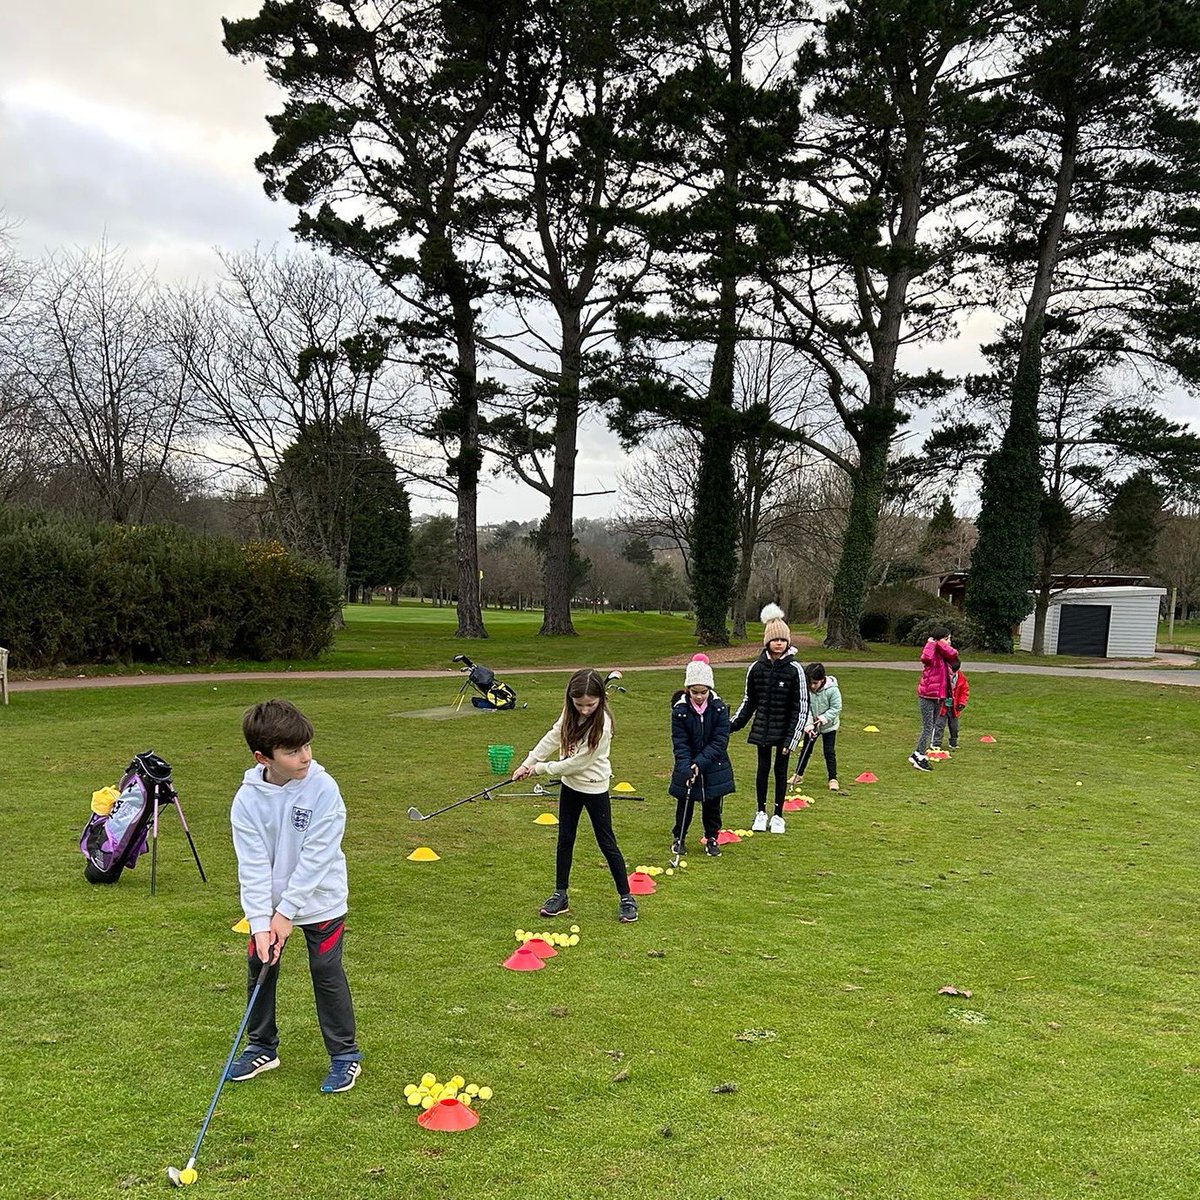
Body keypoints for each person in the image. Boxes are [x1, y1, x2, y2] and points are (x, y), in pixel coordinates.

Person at [228, 699, 362, 1094]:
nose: (305, 757)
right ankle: (261, 1046)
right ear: (262, 757)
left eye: (307, 746)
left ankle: (344, 1056)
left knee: (326, 971)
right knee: (261, 966)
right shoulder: (247, 800)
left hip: (321, 900)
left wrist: (287, 912)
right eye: (292, 751)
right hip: (269, 908)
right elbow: (251, 866)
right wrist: (260, 922)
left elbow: (317, 856)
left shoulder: (323, 788)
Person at [513, 668, 638, 923]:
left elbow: (577, 764)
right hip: (570, 787)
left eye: (590, 704)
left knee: (607, 842)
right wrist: (527, 763)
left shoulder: (603, 724)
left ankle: (626, 897)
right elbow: (553, 736)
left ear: (601, 699)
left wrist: (540, 769)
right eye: (579, 704)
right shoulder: (570, 712)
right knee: (565, 839)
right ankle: (561, 895)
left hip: (594, 787)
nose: (584, 710)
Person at [730, 604, 808, 833]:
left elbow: (801, 707)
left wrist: (791, 740)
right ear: (767, 642)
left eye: (783, 640)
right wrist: (731, 725)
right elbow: (749, 701)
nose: (779, 643)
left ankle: (778, 815)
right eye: (775, 640)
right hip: (763, 729)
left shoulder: (795, 670)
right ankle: (761, 812)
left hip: (784, 732)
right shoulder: (756, 668)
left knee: (780, 771)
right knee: (762, 770)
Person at [669, 654, 735, 858]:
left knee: (713, 804)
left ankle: (712, 837)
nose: (698, 696)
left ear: (709, 690)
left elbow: (720, 740)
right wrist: (687, 766)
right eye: (694, 692)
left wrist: (700, 762)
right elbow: (680, 743)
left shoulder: (719, 708)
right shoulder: (679, 711)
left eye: (703, 692)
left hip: (714, 764)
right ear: (687, 689)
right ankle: (679, 838)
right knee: (685, 803)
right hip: (687, 765)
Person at [910, 626, 959, 772]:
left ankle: (917, 753)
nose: (949, 642)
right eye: (946, 638)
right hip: (927, 695)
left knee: (931, 726)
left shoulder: (944, 654)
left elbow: (954, 655)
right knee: (927, 727)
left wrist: (942, 644)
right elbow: (925, 658)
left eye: (949, 638)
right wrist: (931, 643)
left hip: (940, 696)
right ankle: (920, 755)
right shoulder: (931, 651)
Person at [793, 661, 841, 791]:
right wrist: (808, 726)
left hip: (829, 726)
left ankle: (833, 778)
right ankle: (798, 775)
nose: (812, 686)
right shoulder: (806, 691)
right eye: (810, 683)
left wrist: (823, 718)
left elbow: (836, 708)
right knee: (806, 750)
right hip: (812, 726)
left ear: (822, 680)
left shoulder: (832, 690)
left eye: (815, 683)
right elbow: (806, 709)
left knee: (829, 752)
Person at [931, 665, 970, 752]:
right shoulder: (941, 676)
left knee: (954, 726)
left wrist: (962, 703)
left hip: (954, 707)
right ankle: (936, 743)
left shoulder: (961, 678)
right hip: (942, 706)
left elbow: (964, 691)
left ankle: (953, 743)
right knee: (939, 725)